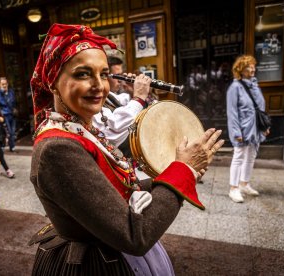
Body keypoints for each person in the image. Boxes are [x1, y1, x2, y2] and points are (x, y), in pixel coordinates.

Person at [29, 23, 224, 275]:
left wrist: (183, 172)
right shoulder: (58, 148)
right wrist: (182, 170)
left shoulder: (78, 128)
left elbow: (115, 190)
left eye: (103, 73)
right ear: (53, 84)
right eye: (82, 74)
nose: (99, 85)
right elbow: (135, 236)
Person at [226, 55, 270, 203]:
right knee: (238, 156)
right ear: (240, 70)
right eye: (248, 67)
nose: (252, 69)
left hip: (256, 128)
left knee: (251, 156)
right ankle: (233, 188)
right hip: (243, 129)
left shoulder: (254, 85)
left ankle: (244, 184)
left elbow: (261, 109)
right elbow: (232, 112)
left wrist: (265, 127)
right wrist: (236, 132)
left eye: (253, 66)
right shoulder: (235, 88)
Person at [0, 77, 17, 152]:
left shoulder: (11, 92)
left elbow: (14, 103)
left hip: (12, 114)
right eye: (2, 84)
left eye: (6, 84)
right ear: (0, 84)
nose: (4, 85)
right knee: (9, 132)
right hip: (5, 115)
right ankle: (9, 146)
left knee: (13, 132)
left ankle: (12, 146)